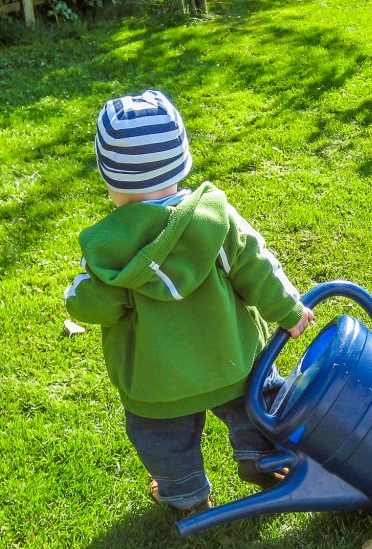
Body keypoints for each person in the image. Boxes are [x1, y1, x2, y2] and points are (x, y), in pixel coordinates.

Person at [64, 89, 314, 515]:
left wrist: (77, 295)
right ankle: (260, 456)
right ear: (183, 160)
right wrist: (289, 310)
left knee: (160, 435)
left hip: (156, 382)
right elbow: (256, 265)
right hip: (232, 360)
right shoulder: (214, 220)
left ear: (109, 178)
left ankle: (184, 491)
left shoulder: (109, 252)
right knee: (257, 399)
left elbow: (91, 307)